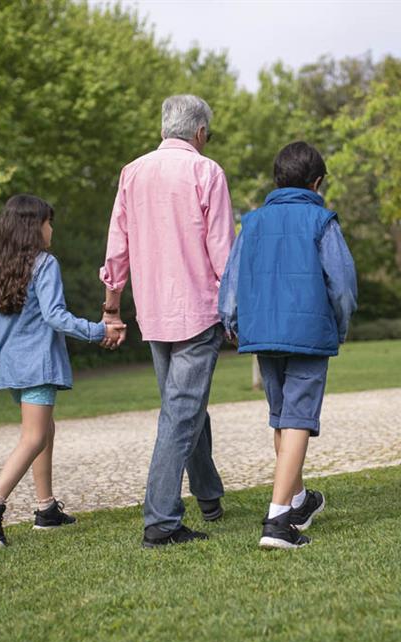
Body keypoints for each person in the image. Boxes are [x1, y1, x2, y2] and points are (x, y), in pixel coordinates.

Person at [99, 94, 235, 548]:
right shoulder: (206, 171)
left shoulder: (132, 172)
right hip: (198, 311)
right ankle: (160, 521)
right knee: (180, 413)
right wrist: (236, 311)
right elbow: (222, 251)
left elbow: (117, 245)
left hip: (153, 313)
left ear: (163, 129)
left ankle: (208, 495)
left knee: (185, 407)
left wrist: (112, 306)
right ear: (200, 132)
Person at [219, 141, 358, 550]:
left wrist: (232, 321)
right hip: (309, 333)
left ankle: (297, 500)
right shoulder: (322, 221)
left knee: (282, 417)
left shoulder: (252, 223)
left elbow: (232, 280)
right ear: (317, 182)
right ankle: (278, 522)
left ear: (278, 180)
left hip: (262, 332)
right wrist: (340, 327)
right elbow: (342, 287)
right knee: (297, 418)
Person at [0, 194, 125, 549]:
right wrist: (99, 330)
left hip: (11, 366)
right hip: (37, 365)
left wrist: (11, 348)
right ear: (33, 227)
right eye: (48, 222)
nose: (51, 229)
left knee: (44, 429)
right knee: (34, 437)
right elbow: (55, 316)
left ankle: (46, 509)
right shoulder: (45, 264)